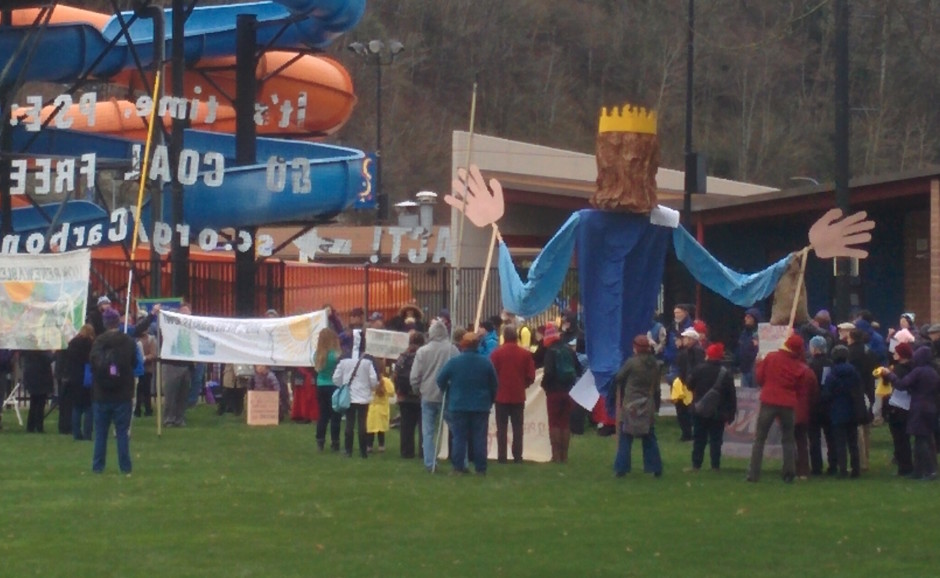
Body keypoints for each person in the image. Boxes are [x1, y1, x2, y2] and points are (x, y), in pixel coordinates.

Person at [748, 334, 816, 483]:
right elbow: (799, 387)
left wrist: (758, 364)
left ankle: (753, 473)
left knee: (760, 438)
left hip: (768, 400)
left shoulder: (771, 357)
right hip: (788, 403)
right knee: (788, 439)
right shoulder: (798, 366)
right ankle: (789, 473)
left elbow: (760, 379)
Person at [437, 332, 499, 476]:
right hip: (481, 405)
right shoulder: (486, 362)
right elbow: (494, 384)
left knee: (459, 437)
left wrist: (449, 390)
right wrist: (490, 400)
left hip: (458, 405)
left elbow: (440, 380)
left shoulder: (454, 362)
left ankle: (458, 467)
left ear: (463, 345)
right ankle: (480, 468)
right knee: (479, 438)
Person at [89, 308, 138, 474]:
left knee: (101, 433)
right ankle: (125, 467)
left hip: (101, 394)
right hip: (123, 393)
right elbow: (134, 362)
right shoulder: (128, 341)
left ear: (104, 323)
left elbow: (93, 363)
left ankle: (98, 467)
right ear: (118, 322)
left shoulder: (98, 342)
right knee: (122, 433)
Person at [883, 345, 939, 481]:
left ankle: (928, 471)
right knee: (926, 439)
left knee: (920, 441)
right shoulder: (933, 372)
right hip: (931, 407)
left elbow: (902, 384)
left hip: (918, 407)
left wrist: (890, 375)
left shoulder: (918, 371)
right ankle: (921, 471)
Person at [410, 319, 459, 471]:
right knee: (456, 430)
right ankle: (460, 461)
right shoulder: (453, 350)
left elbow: (414, 376)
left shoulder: (422, 351)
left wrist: (417, 390)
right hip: (447, 394)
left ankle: (430, 462)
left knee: (428, 431)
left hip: (428, 394)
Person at [612, 335, 663, 478]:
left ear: (635, 348)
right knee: (649, 436)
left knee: (626, 436)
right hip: (648, 403)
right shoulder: (655, 364)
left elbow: (619, 378)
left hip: (631, 404)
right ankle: (655, 467)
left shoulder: (632, 363)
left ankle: (621, 468)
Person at [490, 326, 536, 463]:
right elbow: (531, 375)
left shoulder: (496, 354)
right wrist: (524, 385)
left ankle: (502, 456)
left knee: (501, 428)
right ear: (516, 336)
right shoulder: (525, 354)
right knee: (518, 428)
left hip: (501, 396)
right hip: (518, 395)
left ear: (504, 336)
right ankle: (517, 456)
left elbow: (492, 375)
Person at [687, 342, 737, 471]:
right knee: (716, 440)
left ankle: (696, 464)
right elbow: (731, 395)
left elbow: (689, 385)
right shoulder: (725, 373)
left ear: (708, 355)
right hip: (718, 411)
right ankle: (715, 465)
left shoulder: (699, 369)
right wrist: (731, 413)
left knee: (699, 439)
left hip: (700, 409)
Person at [541, 323, 582, 463]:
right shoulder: (568, 350)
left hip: (553, 392)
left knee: (554, 423)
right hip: (568, 390)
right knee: (565, 423)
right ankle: (564, 456)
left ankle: (556, 455)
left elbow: (549, 372)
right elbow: (579, 369)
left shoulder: (550, 352)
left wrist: (544, 386)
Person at [821, 345, 862, 478]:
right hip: (852, 409)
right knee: (853, 442)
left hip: (837, 410)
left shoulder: (831, 375)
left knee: (840, 442)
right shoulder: (854, 372)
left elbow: (826, 394)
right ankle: (856, 469)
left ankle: (842, 469)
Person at [333, 339, 379, 458]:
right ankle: (363, 451)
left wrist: (343, 385)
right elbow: (374, 380)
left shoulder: (343, 360)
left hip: (349, 396)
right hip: (364, 396)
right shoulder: (368, 360)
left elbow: (336, 378)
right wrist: (369, 387)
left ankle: (348, 450)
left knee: (349, 423)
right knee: (362, 424)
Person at [884, 342, 914, 477]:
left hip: (897, 405)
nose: (894, 355)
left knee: (899, 439)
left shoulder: (898, 370)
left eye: (896, 352)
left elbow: (896, 384)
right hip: (907, 406)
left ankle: (904, 467)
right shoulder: (912, 368)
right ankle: (906, 465)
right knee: (904, 439)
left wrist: (887, 375)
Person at [806, 336, 836, 476]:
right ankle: (833, 465)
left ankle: (816, 467)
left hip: (813, 405)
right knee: (831, 437)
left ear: (814, 348)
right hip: (829, 404)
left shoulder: (809, 365)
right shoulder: (831, 364)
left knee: (814, 438)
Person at [393, 332, 425, 459]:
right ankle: (423, 452)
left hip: (404, 396)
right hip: (421, 395)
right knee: (424, 427)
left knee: (406, 426)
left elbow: (395, 375)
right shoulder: (423, 356)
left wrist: (398, 391)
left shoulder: (403, 356)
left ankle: (406, 452)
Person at [65, 324, 96, 440]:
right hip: (87, 376)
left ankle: (76, 433)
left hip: (75, 377)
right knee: (88, 407)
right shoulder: (91, 344)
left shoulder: (72, 343)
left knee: (76, 407)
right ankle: (87, 434)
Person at [314, 328, 343, 451]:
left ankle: (320, 441)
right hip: (334, 385)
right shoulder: (335, 355)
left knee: (323, 415)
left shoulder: (317, 355)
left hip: (321, 385)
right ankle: (335, 442)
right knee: (335, 415)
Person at [673, 326, 703, 441]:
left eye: (685, 337)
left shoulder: (697, 351)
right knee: (683, 409)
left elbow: (696, 368)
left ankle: (691, 433)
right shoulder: (684, 352)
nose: (683, 339)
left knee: (691, 410)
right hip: (685, 383)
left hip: (693, 385)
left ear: (691, 339)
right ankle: (687, 433)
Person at [22, 350, 54, 433]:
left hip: (32, 377)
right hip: (41, 378)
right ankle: (39, 426)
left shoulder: (29, 351)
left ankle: (30, 426)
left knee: (33, 403)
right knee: (40, 404)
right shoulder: (43, 352)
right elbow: (50, 359)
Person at [366, 366, 395, 452]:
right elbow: (392, 393)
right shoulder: (386, 381)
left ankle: (369, 446)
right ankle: (381, 446)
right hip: (382, 408)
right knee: (381, 429)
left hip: (372, 408)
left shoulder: (370, 381)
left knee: (371, 428)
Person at [134, 315, 157, 417]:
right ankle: (137, 410)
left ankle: (148, 410)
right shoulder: (134, 339)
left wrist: (144, 358)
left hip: (147, 369)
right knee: (137, 390)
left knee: (147, 390)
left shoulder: (151, 339)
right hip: (136, 369)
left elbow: (153, 354)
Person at [737, 308, 760, 388]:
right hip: (744, 369)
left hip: (754, 369)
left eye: (749, 317)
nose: (745, 319)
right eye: (746, 317)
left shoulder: (758, 333)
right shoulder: (744, 333)